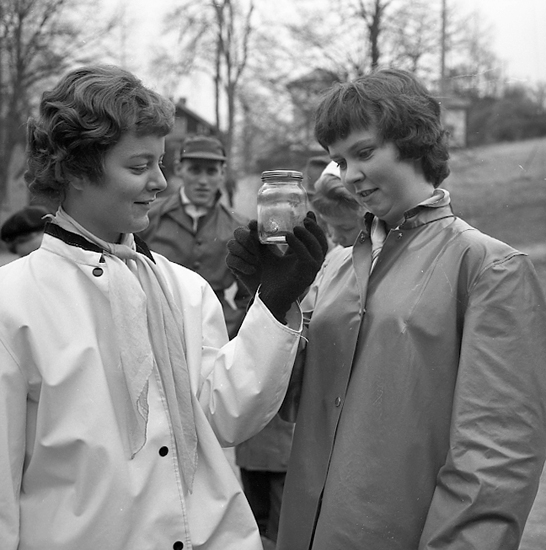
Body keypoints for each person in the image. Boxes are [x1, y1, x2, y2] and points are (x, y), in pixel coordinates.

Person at [0, 64, 327, 550]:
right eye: (138, 167)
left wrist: (274, 306)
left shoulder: (184, 288)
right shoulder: (14, 304)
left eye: (160, 163)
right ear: (75, 170)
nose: (159, 181)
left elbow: (225, 416)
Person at [228, 68, 546, 550]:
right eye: (339, 160)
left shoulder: (488, 267)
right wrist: (272, 304)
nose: (349, 175)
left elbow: (497, 454)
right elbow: (287, 403)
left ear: (412, 142)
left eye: (364, 152)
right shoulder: (334, 267)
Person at [140, 135, 249, 339]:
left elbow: (248, 294)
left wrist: (228, 329)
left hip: (213, 334)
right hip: (155, 329)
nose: (203, 181)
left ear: (222, 173)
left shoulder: (239, 227)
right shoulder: (148, 216)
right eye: (195, 170)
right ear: (179, 169)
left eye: (211, 171)